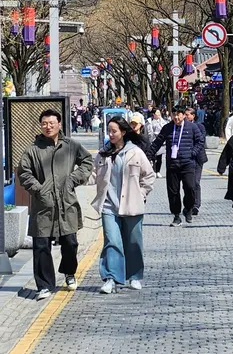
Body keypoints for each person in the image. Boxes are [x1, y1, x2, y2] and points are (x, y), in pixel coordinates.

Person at [18, 109, 92, 301]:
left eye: (51, 123)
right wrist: (39, 189)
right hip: (43, 205)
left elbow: (87, 162)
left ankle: (68, 272)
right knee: (41, 246)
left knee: (70, 242)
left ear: (59, 124)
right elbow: (24, 173)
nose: (48, 126)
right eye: (44, 123)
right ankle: (44, 285)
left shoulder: (70, 146)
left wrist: (73, 180)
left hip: (66, 204)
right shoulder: (33, 149)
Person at [91, 116, 154, 294]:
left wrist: (141, 194)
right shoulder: (103, 154)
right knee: (112, 242)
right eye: (108, 131)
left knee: (133, 242)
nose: (110, 134)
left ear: (123, 132)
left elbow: (149, 176)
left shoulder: (136, 152)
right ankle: (111, 278)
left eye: (114, 131)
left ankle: (134, 276)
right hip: (109, 206)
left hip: (132, 205)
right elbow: (93, 174)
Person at [148, 104, 202, 226]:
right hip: (172, 164)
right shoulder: (167, 128)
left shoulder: (192, 127)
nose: (176, 117)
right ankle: (176, 215)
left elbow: (200, 141)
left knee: (190, 188)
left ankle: (188, 208)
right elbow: (157, 143)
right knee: (173, 192)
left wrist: (192, 153)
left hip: (188, 164)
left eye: (179, 114)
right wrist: (148, 155)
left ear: (183, 115)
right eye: (174, 114)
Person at [185, 106, 208, 215]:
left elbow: (201, 141)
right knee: (188, 183)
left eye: (187, 114)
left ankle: (196, 205)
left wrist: (193, 151)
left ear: (193, 116)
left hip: (197, 158)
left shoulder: (200, 126)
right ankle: (188, 203)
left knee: (195, 182)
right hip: (186, 158)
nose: (186, 116)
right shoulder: (182, 126)